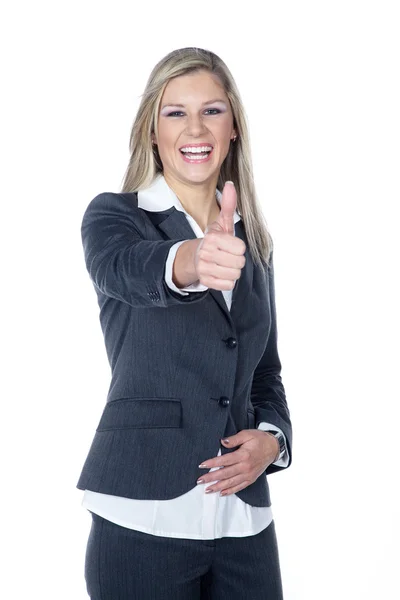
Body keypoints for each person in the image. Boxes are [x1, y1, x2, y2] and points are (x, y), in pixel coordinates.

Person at [77, 46, 293, 599]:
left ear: (234, 126)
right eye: (176, 112)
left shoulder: (255, 244)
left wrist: (272, 441)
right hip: (142, 512)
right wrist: (191, 258)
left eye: (212, 110)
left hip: (243, 523)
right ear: (152, 130)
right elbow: (122, 271)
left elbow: (264, 372)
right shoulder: (115, 216)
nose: (195, 127)